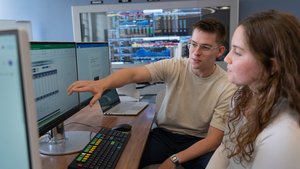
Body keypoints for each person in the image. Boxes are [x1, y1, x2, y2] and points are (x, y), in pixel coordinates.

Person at [68, 18, 236, 169]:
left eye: (205, 47)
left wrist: (174, 159)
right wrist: (102, 84)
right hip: (164, 136)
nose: (196, 52)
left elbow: (213, 140)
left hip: (198, 141)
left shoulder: (227, 86)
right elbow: (133, 74)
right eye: (193, 44)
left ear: (220, 51)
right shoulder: (175, 66)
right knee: (123, 160)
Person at [206, 10, 300, 169]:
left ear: (272, 66)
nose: (227, 58)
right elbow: (226, 149)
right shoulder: (241, 96)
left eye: (237, 52)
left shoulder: (284, 136)